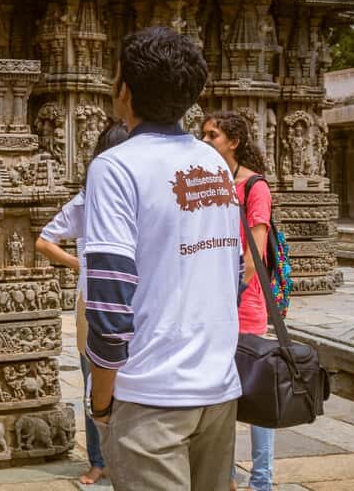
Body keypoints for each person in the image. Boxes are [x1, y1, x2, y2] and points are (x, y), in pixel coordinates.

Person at [84, 27, 243, 490]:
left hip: (151, 394)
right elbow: (231, 272)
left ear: (124, 92)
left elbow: (110, 297)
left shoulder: (115, 167)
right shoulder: (213, 163)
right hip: (216, 388)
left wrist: (101, 400)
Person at [35, 120, 130, 485]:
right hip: (93, 300)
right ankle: (98, 459)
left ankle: (116, 457)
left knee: (118, 384)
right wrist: (79, 262)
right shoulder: (87, 199)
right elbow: (45, 240)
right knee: (94, 383)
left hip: (124, 299)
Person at [202, 111, 275, 491]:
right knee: (222, 394)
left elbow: (254, 258)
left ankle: (261, 480)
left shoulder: (254, 187)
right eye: (204, 134)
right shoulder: (215, 184)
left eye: (213, 135)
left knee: (256, 393)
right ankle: (226, 475)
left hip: (243, 305)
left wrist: (226, 298)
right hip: (217, 302)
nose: (206, 141)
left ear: (234, 141)